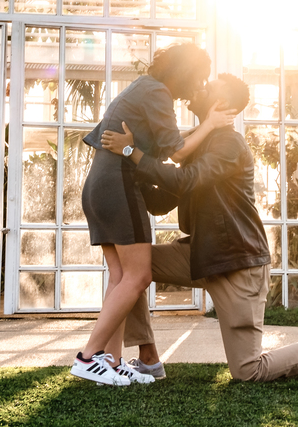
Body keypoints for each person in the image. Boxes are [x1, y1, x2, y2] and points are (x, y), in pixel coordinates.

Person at [100, 74, 298, 383]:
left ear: (223, 104)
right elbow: (162, 202)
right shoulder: (201, 144)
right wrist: (125, 177)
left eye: (209, 86)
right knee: (133, 267)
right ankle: (148, 359)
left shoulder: (229, 144)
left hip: (237, 264)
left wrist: (132, 153)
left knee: (247, 370)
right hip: (202, 253)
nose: (200, 86)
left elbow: (184, 180)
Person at [70, 43, 235, 386]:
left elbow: (167, 145)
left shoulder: (144, 88)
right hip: (118, 187)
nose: (199, 86)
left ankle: (110, 362)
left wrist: (201, 129)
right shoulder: (158, 92)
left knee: (120, 278)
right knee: (138, 275)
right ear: (186, 73)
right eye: (199, 78)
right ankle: (88, 356)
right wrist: (210, 123)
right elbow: (177, 152)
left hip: (100, 186)